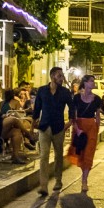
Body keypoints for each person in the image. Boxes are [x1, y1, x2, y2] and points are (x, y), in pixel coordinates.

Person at [32, 67, 75, 197]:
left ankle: (58, 180)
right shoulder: (42, 91)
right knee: (44, 156)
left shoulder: (65, 92)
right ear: (52, 77)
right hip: (44, 127)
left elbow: (72, 107)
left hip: (58, 127)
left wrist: (70, 122)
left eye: (62, 76)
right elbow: (37, 108)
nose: (62, 78)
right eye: (59, 76)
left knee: (58, 154)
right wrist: (33, 124)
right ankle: (43, 185)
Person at [71, 75, 103, 192]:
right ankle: (83, 173)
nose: (93, 83)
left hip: (91, 127)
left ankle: (84, 180)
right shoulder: (77, 98)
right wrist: (76, 129)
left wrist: (97, 129)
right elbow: (73, 115)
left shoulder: (97, 99)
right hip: (79, 126)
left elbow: (98, 116)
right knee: (80, 154)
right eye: (91, 81)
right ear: (85, 83)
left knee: (89, 154)